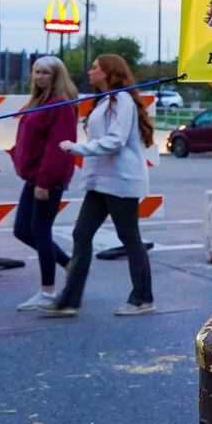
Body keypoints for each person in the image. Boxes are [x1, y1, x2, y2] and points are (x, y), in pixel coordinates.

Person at [40, 53, 155, 318]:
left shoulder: (122, 100)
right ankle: (68, 300)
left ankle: (142, 298)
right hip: (101, 182)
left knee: (129, 238)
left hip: (120, 181)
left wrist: (77, 148)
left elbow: (116, 140)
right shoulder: (104, 101)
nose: (89, 72)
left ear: (108, 72)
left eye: (94, 68)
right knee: (81, 235)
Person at [13, 57, 80, 310]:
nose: (39, 77)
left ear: (56, 76)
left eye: (45, 73)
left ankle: (48, 291)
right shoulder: (39, 101)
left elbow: (57, 148)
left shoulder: (60, 105)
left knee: (40, 232)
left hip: (46, 179)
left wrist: (44, 182)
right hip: (33, 177)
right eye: (36, 72)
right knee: (22, 230)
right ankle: (70, 265)